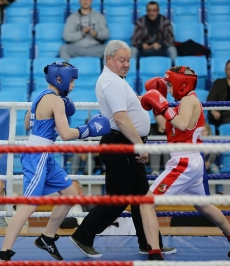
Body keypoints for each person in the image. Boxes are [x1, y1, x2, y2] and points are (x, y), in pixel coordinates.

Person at [0, 61, 111, 261]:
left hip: (45, 154)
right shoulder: (55, 100)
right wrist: (89, 130)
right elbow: (65, 134)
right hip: (38, 155)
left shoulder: (39, 97)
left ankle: (47, 237)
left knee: (70, 194)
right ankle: (4, 252)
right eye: (71, 80)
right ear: (60, 79)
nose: (73, 85)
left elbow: (27, 124)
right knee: (29, 205)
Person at [69, 40, 176, 258]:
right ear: (109, 59)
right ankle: (83, 235)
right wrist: (139, 145)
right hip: (122, 143)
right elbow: (120, 118)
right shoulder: (112, 82)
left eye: (128, 60)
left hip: (125, 142)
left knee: (140, 197)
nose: (126, 64)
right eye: (121, 60)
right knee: (120, 197)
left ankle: (149, 243)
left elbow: (126, 109)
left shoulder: (117, 80)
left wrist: (141, 101)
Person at [140, 67, 230, 260]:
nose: (170, 89)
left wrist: (163, 105)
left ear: (182, 84)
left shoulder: (190, 100)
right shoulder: (182, 103)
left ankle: (154, 254)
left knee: (146, 204)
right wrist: (156, 105)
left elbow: (182, 124)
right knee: (203, 206)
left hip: (185, 160)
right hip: (192, 160)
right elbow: (164, 124)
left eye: (171, 85)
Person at [202, 123, 224, 195]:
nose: (203, 133)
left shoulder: (212, 141)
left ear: (208, 132)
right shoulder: (196, 141)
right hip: (198, 164)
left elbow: (213, 154)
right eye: (201, 131)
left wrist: (208, 163)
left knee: (216, 171)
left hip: (210, 163)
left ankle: (220, 191)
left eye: (205, 130)